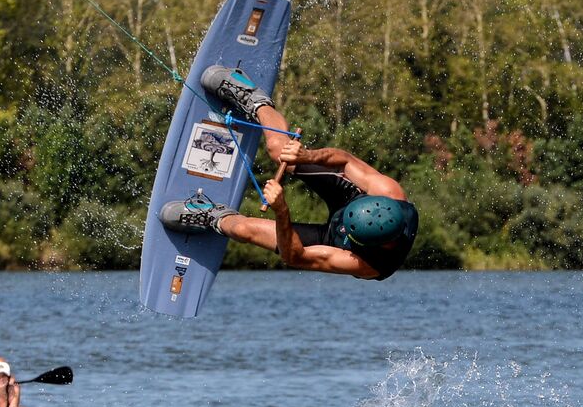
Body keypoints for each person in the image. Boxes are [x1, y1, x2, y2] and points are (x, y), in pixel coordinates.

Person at [158, 65, 419, 280]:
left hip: (329, 239)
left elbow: (295, 257)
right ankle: (254, 100)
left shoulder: (367, 264)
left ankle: (212, 216)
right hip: (350, 197)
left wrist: (281, 210)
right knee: (280, 151)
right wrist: (307, 156)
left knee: (244, 230)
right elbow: (346, 162)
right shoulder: (390, 193)